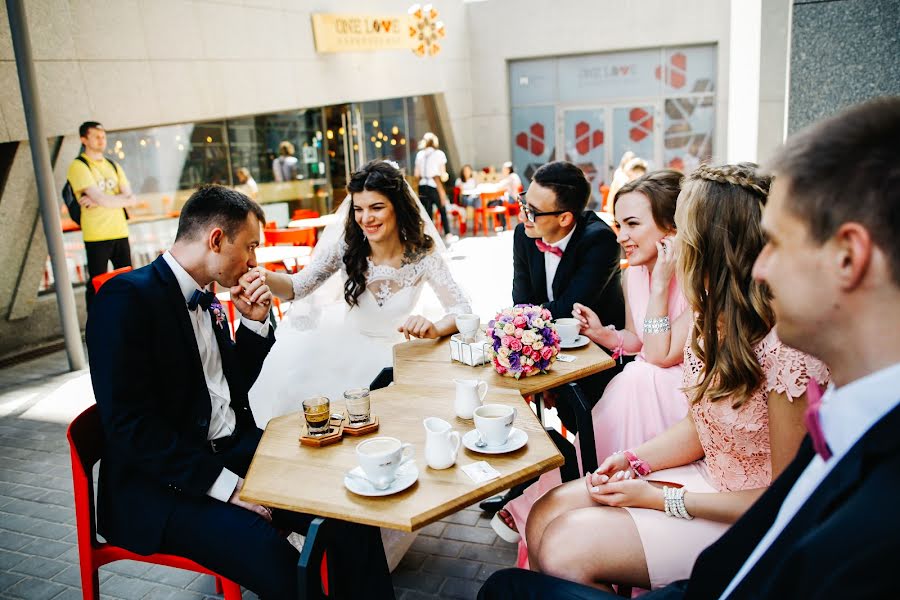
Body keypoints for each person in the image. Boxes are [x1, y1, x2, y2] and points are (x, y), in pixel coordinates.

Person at [479, 95, 900, 600]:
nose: (672, 250)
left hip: (733, 502)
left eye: (781, 243)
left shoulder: (792, 351)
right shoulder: (708, 318)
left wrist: (659, 498)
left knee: (557, 550)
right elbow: (703, 424)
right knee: (547, 513)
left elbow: (777, 502)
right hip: (705, 474)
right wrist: (635, 460)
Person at [86, 185, 394, 598]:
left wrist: (252, 324)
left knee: (348, 508)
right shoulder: (127, 299)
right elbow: (130, 427)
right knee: (271, 553)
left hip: (232, 454)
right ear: (216, 239)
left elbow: (231, 389)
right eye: (249, 248)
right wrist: (228, 487)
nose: (254, 263)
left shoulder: (209, 297)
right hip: (162, 487)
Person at [496, 170, 690, 565]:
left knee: (631, 384)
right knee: (623, 389)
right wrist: (603, 333)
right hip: (640, 377)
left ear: (671, 227)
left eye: (633, 224)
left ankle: (556, 506)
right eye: (619, 224)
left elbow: (663, 355)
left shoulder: (694, 276)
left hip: (677, 389)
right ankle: (547, 508)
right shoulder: (636, 268)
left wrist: (660, 285)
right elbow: (636, 342)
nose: (621, 236)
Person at [247, 159, 471, 425]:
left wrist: (434, 328)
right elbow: (297, 287)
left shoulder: (423, 256)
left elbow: (462, 311)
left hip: (396, 360)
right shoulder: (346, 248)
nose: (366, 218)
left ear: (397, 208)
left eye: (376, 207)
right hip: (341, 355)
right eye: (359, 209)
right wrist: (261, 274)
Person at [511, 160, 626, 423]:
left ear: (564, 218)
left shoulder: (600, 240)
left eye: (532, 211)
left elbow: (569, 309)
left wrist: (528, 319)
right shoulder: (524, 234)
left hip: (599, 357)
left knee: (581, 422)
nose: (522, 216)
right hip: (551, 345)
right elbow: (521, 302)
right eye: (523, 204)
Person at [67, 121, 138, 306]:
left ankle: (127, 320)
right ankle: (96, 325)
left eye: (103, 136)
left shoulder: (112, 165)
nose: (101, 140)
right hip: (96, 234)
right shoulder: (79, 166)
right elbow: (111, 198)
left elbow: (132, 198)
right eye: (96, 136)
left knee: (127, 280)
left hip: (120, 231)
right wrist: (117, 198)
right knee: (97, 284)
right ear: (84, 139)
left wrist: (101, 200)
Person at [414, 132, 456, 243]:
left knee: (427, 213)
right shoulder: (439, 154)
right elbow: (443, 174)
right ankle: (448, 235)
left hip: (423, 185)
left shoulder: (420, 155)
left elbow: (416, 174)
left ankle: (429, 237)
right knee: (442, 209)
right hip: (434, 184)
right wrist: (445, 176)